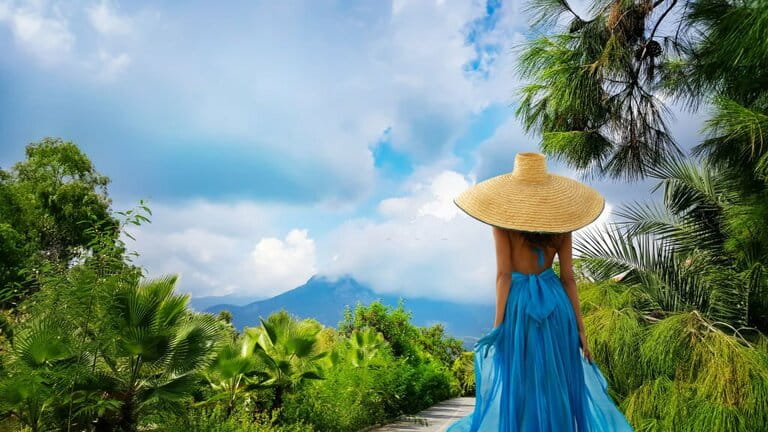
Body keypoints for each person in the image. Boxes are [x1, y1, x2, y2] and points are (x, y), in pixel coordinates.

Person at [446, 152, 634, 431]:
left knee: (520, 381)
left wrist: (499, 326)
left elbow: (503, 275)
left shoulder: (502, 225)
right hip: (557, 304)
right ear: (548, 196)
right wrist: (581, 330)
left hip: (520, 304)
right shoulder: (562, 228)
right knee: (555, 379)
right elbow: (568, 278)